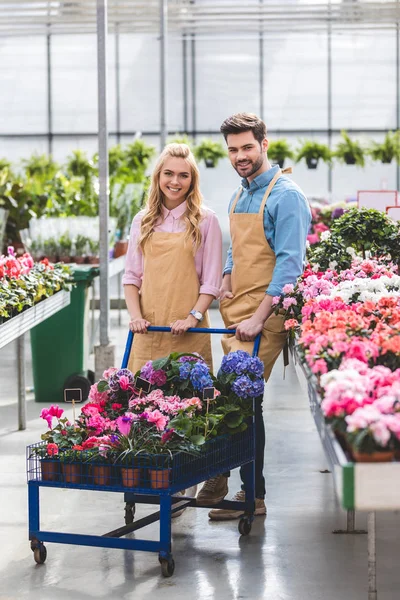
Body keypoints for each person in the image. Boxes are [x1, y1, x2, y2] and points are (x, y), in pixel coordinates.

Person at [196, 113, 311, 520]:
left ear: (264, 144)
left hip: (267, 314)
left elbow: (289, 267)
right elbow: (237, 248)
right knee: (242, 400)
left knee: (238, 396)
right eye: (232, 149)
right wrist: (226, 275)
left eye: (247, 147)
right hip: (238, 309)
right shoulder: (240, 195)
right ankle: (247, 491)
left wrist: (260, 317)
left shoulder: (286, 196)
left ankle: (237, 487)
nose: (240, 156)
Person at [122, 142, 222, 374]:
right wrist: (136, 318)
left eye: (183, 175)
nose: (175, 182)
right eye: (168, 173)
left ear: (192, 180)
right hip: (148, 329)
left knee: (190, 402)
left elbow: (211, 282)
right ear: (158, 177)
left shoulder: (206, 220)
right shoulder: (142, 221)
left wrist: (192, 318)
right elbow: (131, 277)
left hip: (189, 330)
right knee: (143, 403)